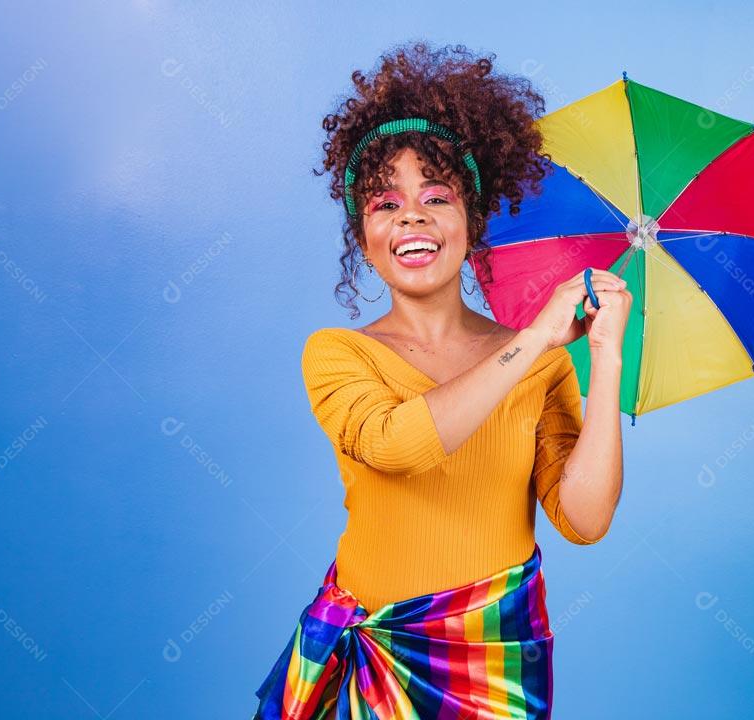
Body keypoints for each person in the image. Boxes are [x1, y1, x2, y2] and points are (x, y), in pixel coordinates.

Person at [254, 41, 630, 720]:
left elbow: (584, 518)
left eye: (436, 196)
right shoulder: (338, 354)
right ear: (363, 235)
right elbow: (398, 445)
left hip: (494, 658)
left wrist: (604, 357)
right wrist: (538, 337)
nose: (412, 217)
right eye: (384, 204)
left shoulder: (539, 358)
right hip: (366, 652)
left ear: (471, 220)